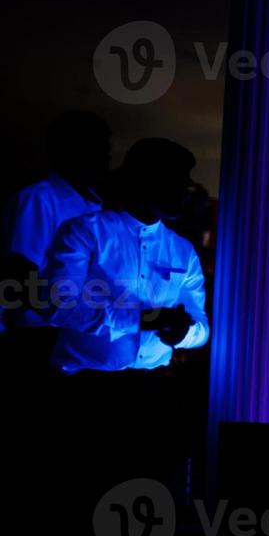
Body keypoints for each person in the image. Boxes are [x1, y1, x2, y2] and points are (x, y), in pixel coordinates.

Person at [44, 137, 209, 374]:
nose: (186, 191)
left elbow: (201, 325)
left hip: (155, 385)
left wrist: (185, 334)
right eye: (178, 181)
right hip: (83, 383)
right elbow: (58, 304)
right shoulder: (85, 231)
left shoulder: (184, 251)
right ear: (148, 180)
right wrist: (142, 319)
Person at [0, 111, 109, 334]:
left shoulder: (95, 206)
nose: (108, 153)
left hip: (77, 329)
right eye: (99, 145)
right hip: (38, 331)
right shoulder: (39, 198)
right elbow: (21, 274)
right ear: (72, 149)